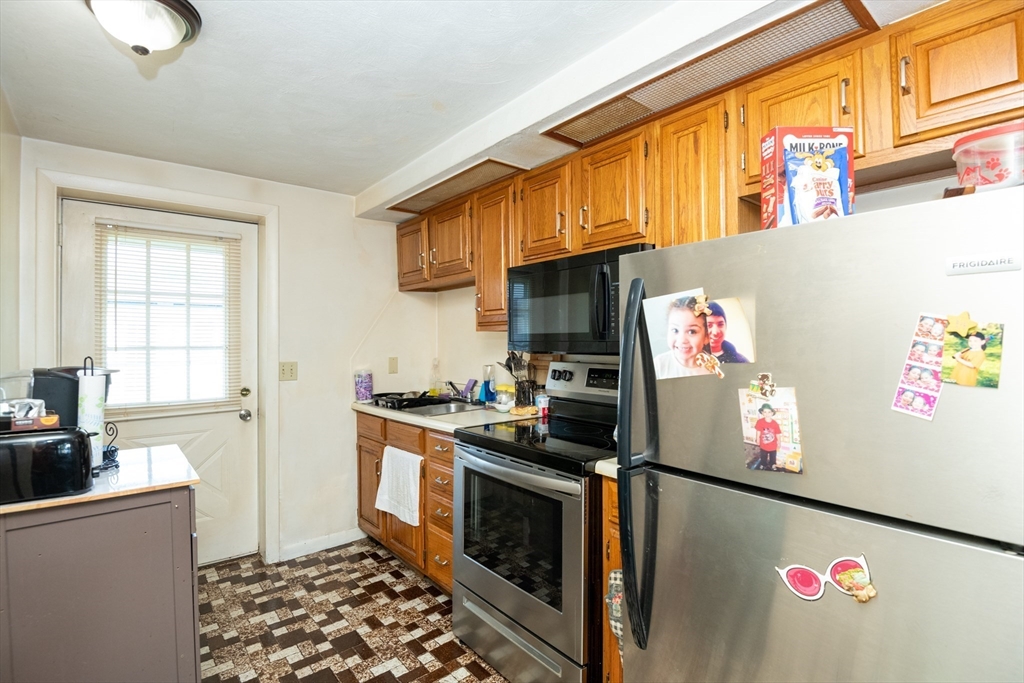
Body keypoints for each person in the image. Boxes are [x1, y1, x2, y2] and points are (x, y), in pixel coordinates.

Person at [653, 297, 712, 378]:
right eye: (675, 330)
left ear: (707, 337)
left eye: (692, 331)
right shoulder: (658, 365)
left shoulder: (713, 367)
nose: (682, 340)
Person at [754, 403, 782, 471]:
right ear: (762, 413)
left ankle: (772, 464)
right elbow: (758, 432)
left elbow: (778, 433)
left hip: (773, 445)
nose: (767, 414)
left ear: (772, 413)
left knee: (773, 456)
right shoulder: (760, 422)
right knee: (763, 456)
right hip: (763, 444)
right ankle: (763, 464)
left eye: (769, 412)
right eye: (765, 412)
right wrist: (757, 439)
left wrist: (779, 442)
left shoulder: (775, 423)